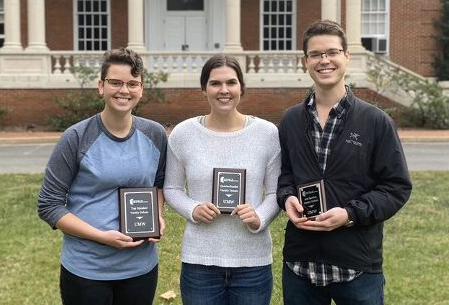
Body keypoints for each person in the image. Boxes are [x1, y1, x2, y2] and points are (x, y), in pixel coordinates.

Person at [276, 20, 412, 305]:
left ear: (346, 56)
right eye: (315, 54)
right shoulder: (290, 120)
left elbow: (396, 187)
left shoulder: (376, 121)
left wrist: (350, 214)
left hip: (357, 268)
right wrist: (286, 197)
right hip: (301, 266)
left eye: (332, 52)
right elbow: (285, 174)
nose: (324, 60)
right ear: (305, 62)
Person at [37, 48, 167, 305]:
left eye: (132, 84)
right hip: (87, 270)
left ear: (141, 89)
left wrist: (158, 216)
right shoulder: (76, 137)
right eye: (115, 82)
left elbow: (159, 183)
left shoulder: (155, 134)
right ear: (101, 86)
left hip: (141, 268)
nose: (124, 90)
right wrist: (100, 236)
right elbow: (49, 205)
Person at [163, 54, 281, 305]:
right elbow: (172, 188)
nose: (224, 90)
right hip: (200, 262)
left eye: (231, 82)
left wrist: (259, 217)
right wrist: (193, 209)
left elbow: (275, 193)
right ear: (204, 89)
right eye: (215, 83)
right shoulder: (183, 134)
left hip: (252, 262)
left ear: (242, 88)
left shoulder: (267, 134)